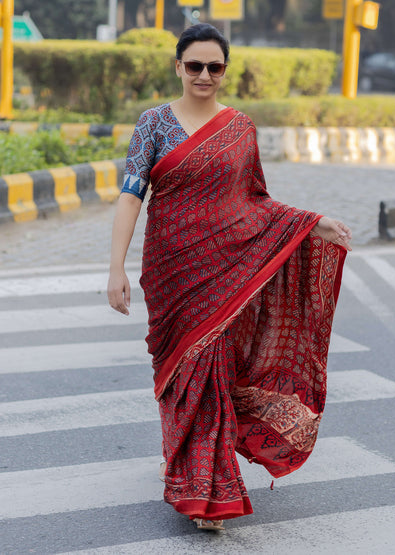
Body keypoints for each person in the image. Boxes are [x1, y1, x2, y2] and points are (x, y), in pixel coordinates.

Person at [107, 23, 352, 532]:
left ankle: (207, 489)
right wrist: (116, 268)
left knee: (210, 368)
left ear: (224, 71)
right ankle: (180, 455)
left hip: (225, 267)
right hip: (170, 269)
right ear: (178, 66)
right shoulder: (153, 124)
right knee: (176, 368)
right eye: (194, 65)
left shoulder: (239, 127)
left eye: (213, 67)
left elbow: (255, 202)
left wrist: (313, 223)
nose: (203, 75)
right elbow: (131, 195)